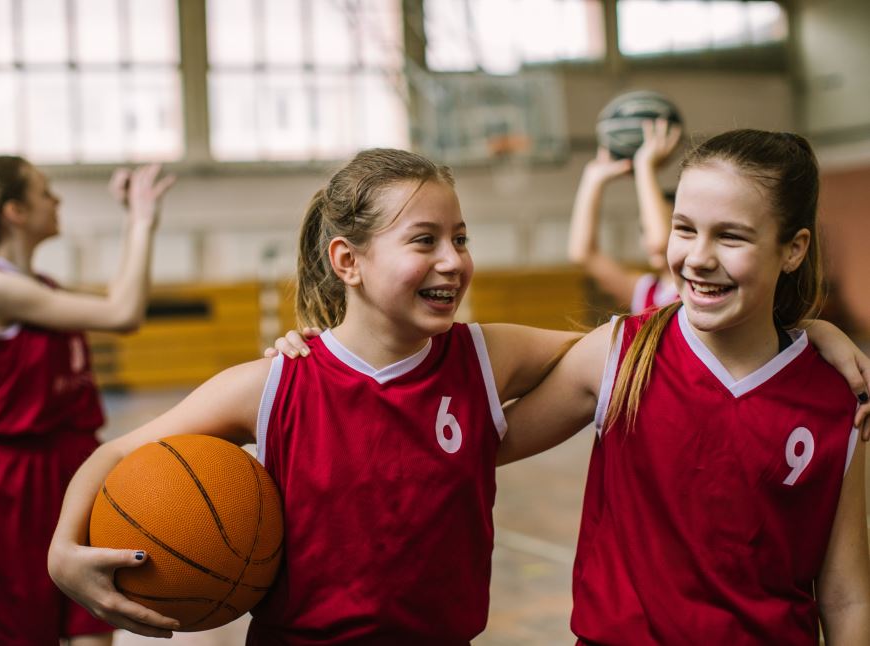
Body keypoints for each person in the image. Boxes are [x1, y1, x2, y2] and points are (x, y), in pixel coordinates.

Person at [46, 148, 583, 644]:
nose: (453, 260)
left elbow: (609, 354)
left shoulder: (484, 357)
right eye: (425, 240)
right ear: (348, 261)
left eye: (460, 239)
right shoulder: (278, 381)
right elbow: (114, 453)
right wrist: (63, 554)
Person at [500, 130, 870, 644]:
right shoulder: (621, 357)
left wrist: (813, 331)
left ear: (793, 250)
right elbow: (481, 445)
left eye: (731, 236)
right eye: (684, 229)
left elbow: (846, 594)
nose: (698, 256)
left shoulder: (835, 398)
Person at [0, 157, 175, 646]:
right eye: (45, 192)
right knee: (24, 631)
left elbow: (118, 305)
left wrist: (135, 220)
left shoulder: (40, 287)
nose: (57, 201)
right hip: (25, 476)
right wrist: (141, 220)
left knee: (95, 620)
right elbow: (123, 311)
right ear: (15, 211)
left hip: (79, 463)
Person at [568, 118, 683, 313]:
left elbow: (660, 242)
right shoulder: (646, 291)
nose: (649, 237)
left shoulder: (694, 289)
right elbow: (583, 253)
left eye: (664, 223)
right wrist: (592, 179)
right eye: (642, 229)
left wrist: (645, 166)